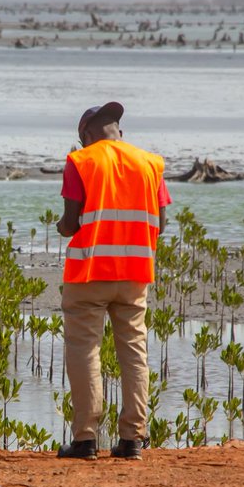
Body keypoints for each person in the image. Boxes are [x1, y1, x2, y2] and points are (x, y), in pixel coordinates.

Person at [56, 102, 169, 460]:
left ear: (86, 135)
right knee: (134, 351)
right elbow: (160, 223)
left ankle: (85, 439)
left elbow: (70, 223)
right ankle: (133, 439)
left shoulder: (81, 161)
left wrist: (61, 227)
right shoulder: (151, 163)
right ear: (118, 130)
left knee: (84, 348)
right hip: (135, 274)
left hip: (89, 272)